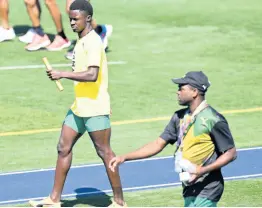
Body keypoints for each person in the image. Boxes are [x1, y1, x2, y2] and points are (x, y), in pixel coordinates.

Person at [28, 0, 126, 207]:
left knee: (104, 152)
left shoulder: (93, 42)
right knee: (63, 147)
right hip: (79, 107)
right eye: (70, 19)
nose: (72, 23)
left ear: (88, 19)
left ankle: (119, 201)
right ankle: (54, 199)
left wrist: (62, 73)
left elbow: (92, 75)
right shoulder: (81, 41)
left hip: (95, 108)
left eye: (76, 19)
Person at [109, 71, 237, 207]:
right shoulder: (179, 117)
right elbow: (158, 144)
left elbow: (231, 153)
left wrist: (201, 171)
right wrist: (125, 157)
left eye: (181, 88)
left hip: (208, 186)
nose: (178, 92)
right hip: (190, 186)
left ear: (194, 92)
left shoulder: (213, 119)